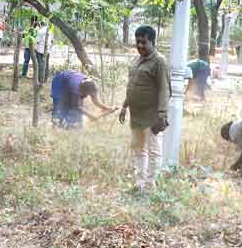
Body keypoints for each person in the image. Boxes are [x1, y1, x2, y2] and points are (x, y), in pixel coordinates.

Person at [118, 25, 170, 191]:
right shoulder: (136, 61)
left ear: (152, 42)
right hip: (136, 116)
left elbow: (164, 89)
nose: (140, 45)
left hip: (152, 117)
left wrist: (161, 115)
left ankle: (150, 186)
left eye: (144, 42)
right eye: (137, 42)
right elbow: (132, 86)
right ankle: (140, 185)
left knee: (154, 152)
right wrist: (125, 106)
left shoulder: (159, 62)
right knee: (139, 151)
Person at [51, 70, 115, 128]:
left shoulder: (92, 86)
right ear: (82, 91)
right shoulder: (75, 88)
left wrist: (106, 108)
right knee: (61, 107)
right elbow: (78, 106)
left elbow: (96, 101)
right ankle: (56, 123)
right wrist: (91, 116)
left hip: (70, 80)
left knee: (77, 121)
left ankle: (71, 124)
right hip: (59, 82)